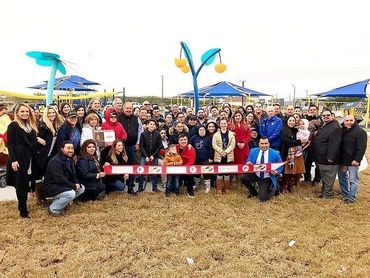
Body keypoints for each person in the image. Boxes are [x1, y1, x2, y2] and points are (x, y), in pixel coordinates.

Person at [6, 103, 38, 218]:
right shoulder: (13, 125)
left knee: (26, 182)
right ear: (17, 113)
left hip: (29, 158)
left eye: (26, 111)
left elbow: (32, 140)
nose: (25, 113)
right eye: (22, 111)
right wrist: (14, 160)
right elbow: (9, 144)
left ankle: (22, 206)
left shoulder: (30, 125)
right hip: (19, 158)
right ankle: (23, 211)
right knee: (21, 184)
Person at [43, 141, 85, 216]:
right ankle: (53, 209)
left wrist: (76, 183)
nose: (71, 150)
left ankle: (60, 202)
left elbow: (73, 175)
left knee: (81, 188)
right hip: (52, 186)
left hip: (62, 184)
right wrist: (73, 186)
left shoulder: (70, 159)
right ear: (62, 149)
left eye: (72, 148)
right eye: (68, 148)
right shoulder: (55, 161)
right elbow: (59, 179)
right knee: (70, 193)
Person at [240, 137, 283, 202]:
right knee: (243, 177)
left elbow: (280, 165)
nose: (264, 145)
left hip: (266, 177)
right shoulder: (253, 151)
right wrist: (248, 164)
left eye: (266, 143)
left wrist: (277, 172)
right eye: (262, 143)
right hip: (256, 174)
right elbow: (248, 161)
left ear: (269, 144)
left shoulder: (275, 153)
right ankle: (253, 192)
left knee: (263, 199)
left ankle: (274, 186)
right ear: (259, 144)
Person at [312, 110, 341, 199]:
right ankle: (324, 192)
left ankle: (327, 195)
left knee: (328, 177)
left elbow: (335, 144)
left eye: (328, 115)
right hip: (321, 157)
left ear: (332, 115)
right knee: (325, 177)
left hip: (328, 159)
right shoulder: (325, 125)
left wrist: (331, 157)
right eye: (323, 115)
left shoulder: (335, 127)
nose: (326, 117)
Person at [338, 115, 367, 204]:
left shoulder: (360, 132)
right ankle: (346, 194)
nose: (349, 122)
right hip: (343, 160)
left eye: (351, 120)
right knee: (342, 177)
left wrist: (357, 160)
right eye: (347, 120)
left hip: (353, 161)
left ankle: (351, 197)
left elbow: (362, 148)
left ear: (354, 121)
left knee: (353, 180)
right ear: (344, 121)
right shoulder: (343, 131)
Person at [34, 106, 64, 182]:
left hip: (50, 155)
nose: (51, 114)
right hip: (41, 155)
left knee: (47, 176)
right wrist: (37, 139)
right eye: (49, 113)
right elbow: (33, 137)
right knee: (38, 177)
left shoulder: (57, 125)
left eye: (53, 112)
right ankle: (36, 192)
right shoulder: (42, 125)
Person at [279, 116, 307, 193]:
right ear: (287, 121)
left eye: (293, 120)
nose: (291, 122)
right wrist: (298, 141)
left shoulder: (296, 130)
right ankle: (283, 186)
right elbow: (286, 140)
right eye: (290, 120)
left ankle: (290, 185)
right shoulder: (283, 130)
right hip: (287, 152)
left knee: (294, 169)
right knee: (286, 170)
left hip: (296, 152)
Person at [138, 119, 162, 192]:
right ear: (147, 125)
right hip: (144, 156)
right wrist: (146, 156)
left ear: (155, 126)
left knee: (154, 172)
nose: (152, 125)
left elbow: (159, 146)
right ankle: (140, 187)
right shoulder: (143, 134)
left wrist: (153, 156)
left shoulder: (158, 134)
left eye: (153, 124)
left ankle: (154, 188)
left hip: (154, 156)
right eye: (151, 124)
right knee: (141, 171)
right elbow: (141, 146)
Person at [212, 119, 236, 194]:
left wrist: (226, 151)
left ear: (227, 124)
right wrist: (221, 151)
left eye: (224, 123)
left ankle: (227, 188)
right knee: (219, 172)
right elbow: (214, 145)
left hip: (228, 155)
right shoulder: (216, 134)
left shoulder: (231, 134)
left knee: (227, 172)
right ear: (220, 125)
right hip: (219, 155)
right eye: (221, 123)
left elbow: (233, 144)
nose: (223, 125)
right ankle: (219, 188)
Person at [190, 125, 213, 193]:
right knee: (197, 172)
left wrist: (211, 158)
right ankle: (196, 185)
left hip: (206, 158)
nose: (202, 131)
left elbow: (211, 148)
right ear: (198, 131)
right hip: (196, 158)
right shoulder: (194, 138)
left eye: (203, 130)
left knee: (206, 173)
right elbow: (190, 145)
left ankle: (207, 186)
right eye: (200, 130)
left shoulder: (208, 138)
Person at [176, 134, 196, 198]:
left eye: (185, 140)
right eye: (181, 140)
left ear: (187, 141)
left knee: (190, 175)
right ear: (178, 141)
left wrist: (183, 168)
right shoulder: (175, 147)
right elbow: (167, 153)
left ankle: (190, 191)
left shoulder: (191, 149)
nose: (183, 141)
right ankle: (176, 188)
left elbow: (191, 161)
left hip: (187, 168)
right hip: (177, 167)